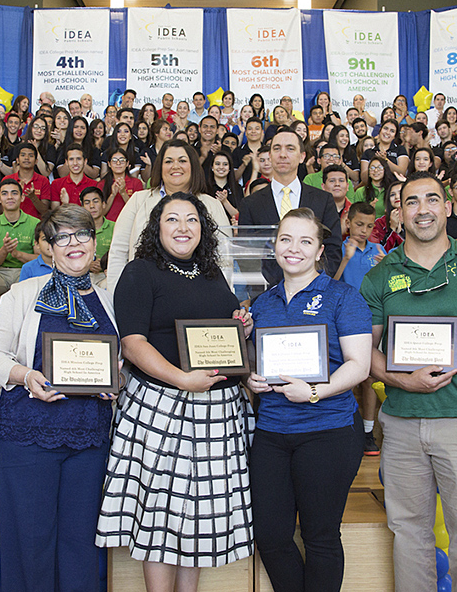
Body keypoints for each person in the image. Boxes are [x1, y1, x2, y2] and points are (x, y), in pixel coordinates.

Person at [361, 172, 457, 592]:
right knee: (410, 534)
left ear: (448, 207)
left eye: (432, 199)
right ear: (400, 213)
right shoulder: (381, 275)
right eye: (412, 202)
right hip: (401, 423)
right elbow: (363, 350)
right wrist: (402, 380)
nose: (423, 209)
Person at [96, 192, 254, 589]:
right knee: (161, 516)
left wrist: (240, 326)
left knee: (198, 517)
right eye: (173, 220)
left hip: (218, 409)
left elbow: (225, 328)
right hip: (162, 406)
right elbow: (133, 343)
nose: (183, 228)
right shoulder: (140, 271)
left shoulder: (212, 272)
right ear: (156, 227)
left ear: (204, 228)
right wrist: (182, 379)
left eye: (192, 220)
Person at [0, 205, 119, 592]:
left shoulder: (108, 301)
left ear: (95, 244)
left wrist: (114, 381)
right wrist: (26, 376)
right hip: (28, 436)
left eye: (83, 234)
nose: (74, 243)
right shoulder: (22, 294)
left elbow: (117, 363)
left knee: (81, 546)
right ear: (48, 248)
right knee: (30, 544)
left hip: (89, 441)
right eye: (63, 237)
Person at [246, 207, 372, 591]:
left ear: (319, 250)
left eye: (305, 241)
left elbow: (359, 365)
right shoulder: (262, 304)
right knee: (271, 537)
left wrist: (314, 391)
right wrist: (252, 377)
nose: (294, 248)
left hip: (328, 430)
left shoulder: (343, 298)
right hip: (271, 432)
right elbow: (259, 363)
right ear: (274, 246)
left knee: (321, 537)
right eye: (286, 239)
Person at [106, 139, 229, 294]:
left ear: (193, 166)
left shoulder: (212, 205)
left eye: (182, 161)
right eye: (168, 161)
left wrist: (222, 297)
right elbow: (118, 251)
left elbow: (224, 257)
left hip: (200, 293)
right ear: (160, 167)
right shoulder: (138, 200)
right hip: (145, 292)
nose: (175, 166)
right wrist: (117, 296)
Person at [238, 130, 343, 292]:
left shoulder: (323, 200)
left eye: (290, 148)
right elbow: (247, 254)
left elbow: (332, 249)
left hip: (313, 294)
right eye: (277, 148)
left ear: (302, 157)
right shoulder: (250, 203)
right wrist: (271, 290)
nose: (283, 154)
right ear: (270, 156)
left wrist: (312, 284)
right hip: (267, 295)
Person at [0, 180, 40, 298]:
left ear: (22, 197)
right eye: (4, 194)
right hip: (0, 273)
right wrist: (4, 250)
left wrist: (18, 254)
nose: (9, 197)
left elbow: (41, 260)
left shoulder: (35, 223)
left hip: (25, 271)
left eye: (14, 193)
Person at [3, 144, 52, 219]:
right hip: (12, 225)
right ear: (17, 160)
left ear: (36, 161)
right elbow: (2, 208)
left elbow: (45, 211)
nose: (26, 158)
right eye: (23, 155)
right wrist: (16, 194)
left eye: (31, 156)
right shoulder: (8, 180)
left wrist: (33, 197)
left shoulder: (43, 180)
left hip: (36, 226)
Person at [80, 186, 114, 288]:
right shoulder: (77, 230)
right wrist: (87, 266)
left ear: (103, 204)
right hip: (83, 275)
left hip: (107, 275)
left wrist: (105, 265)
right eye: (87, 203)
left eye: (95, 201)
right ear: (82, 207)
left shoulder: (115, 227)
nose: (91, 206)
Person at [99, 145, 143, 222]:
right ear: (109, 164)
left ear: (127, 164)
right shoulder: (102, 184)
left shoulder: (136, 183)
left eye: (122, 160)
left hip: (130, 223)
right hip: (109, 225)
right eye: (114, 160)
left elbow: (138, 211)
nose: (118, 163)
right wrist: (112, 195)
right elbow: (101, 213)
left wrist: (123, 193)